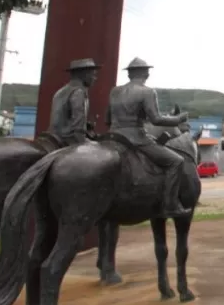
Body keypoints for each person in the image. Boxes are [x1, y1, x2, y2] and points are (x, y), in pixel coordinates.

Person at [105, 57, 191, 218]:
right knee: (176, 161)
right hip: (135, 138)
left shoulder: (114, 91)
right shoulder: (147, 91)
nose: (148, 74)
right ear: (144, 73)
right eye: (147, 71)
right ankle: (170, 205)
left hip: (113, 136)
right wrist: (178, 120)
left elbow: (107, 119)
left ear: (130, 74)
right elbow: (156, 119)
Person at [48, 58, 102, 146]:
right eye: (93, 75)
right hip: (67, 139)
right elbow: (78, 126)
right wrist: (80, 145)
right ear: (83, 75)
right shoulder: (79, 92)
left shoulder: (60, 91)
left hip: (53, 136)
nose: (95, 78)